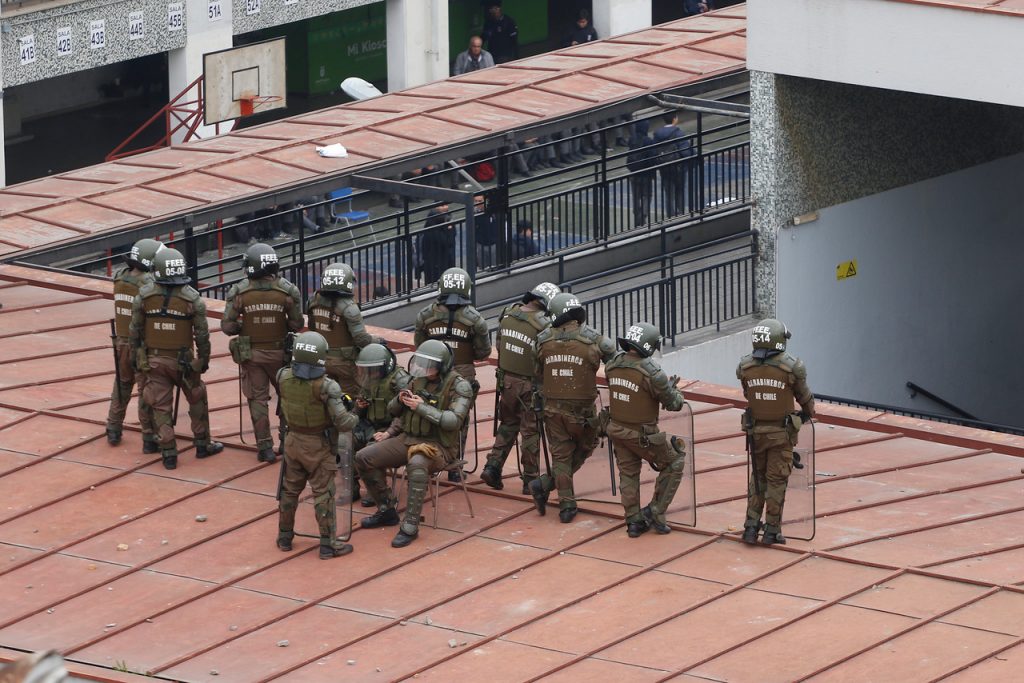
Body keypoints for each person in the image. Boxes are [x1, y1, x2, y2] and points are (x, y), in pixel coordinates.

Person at [355, 340, 474, 548]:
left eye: (430, 364)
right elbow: (393, 411)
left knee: (417, 464)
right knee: (364, 457)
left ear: (442, 365)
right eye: (422, 363)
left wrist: (421, 407)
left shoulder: (459, 386)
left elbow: (452, 421)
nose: (425, 368)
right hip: (408, 438)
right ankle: (386, 509)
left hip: (439, 446)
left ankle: (410, 524)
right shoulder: (416, 381)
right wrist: (400, 399)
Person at [129, 248, 224, 470]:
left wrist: (137, 358)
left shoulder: (143, 296)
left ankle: (169, 453)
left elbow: (135, 331)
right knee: (197, 398)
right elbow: (202, 336)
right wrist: (203, 361)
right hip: (184, 362)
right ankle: (202, 444)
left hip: (154, 360)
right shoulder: (192, 299)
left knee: (160, 406)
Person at [530, 293, 616, 522]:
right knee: (588, 444)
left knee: (560, 455)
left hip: (552, 410)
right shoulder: (594, 340)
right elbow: (617, 367)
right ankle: (547, 485)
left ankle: (566, 504)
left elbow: (537, 373)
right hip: (583, 413)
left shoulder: (543, 340)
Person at [275, 331, 359, 560]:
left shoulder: (282, 376)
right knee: (324, 493)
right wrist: (355, 413)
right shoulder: (326, 386)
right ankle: (328, 545)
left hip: (292, 441)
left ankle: (284, 537)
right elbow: (344, 423)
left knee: (289, 491)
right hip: (318, 445)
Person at [222, 243, 304, 464]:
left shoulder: (239, 292)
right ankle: (287, 442)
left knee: (257, 399)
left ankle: (265, 448)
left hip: (252, 355)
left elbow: (227, 326)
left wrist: (244, 326)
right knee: (287, 396)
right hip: (280, 354)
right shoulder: (288, 291)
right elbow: (297, 324)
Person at [606, 322, 688, 537]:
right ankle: (655, 512)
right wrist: (675, 392)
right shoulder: (652, 373)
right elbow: (674, 404)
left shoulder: (612, 365)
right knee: (675, 462)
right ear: (650, 345)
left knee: (628, 475)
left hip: (617, 429)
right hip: (643, 436)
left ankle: (633, 522)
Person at [737, 318, 815, 546]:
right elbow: (805, 399)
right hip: (781, 435)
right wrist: (807, 414)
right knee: (776, 481)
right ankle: (771, 530)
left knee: (757, 479)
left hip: (755, 433)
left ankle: (751, 527)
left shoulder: (745, 366)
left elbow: (747, 393)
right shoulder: (792, 367)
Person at [306, 262, 380, 501]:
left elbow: (312, 332)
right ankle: (362, 481)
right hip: (347, 369)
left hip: (321, 365)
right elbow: (361, 339)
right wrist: (379, 342)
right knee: (354, 418)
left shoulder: (313, 301)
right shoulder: (349, 308)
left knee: (330, 416)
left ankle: (342, 477)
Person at [481, 282, 560, 494]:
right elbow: (546, 358)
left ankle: (492, 466)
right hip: (530, 386)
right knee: (530, 432)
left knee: (508, 424)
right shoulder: (545, 325)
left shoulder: (508, 314)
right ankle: (530, 480)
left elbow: (500, 345)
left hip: (506, 381)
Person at [414, 267, 491, 477]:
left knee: (428, 414)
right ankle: (455, 468)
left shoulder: (425, 315)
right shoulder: (475, 319)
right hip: (463, 373)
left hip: (431, 373)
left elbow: (420, 347)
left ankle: (428, 462)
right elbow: (483, 352)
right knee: (459, 420)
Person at [107, 238, 162, 452]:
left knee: (122, 384)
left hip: (120, 341)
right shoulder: (147, 284)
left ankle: (113, 427)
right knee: (145, 389)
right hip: (140, 344)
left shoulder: (120, 277)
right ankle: (149, 436)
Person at [352, 343, 411, 506]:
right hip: (370, 425)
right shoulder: (368, 377)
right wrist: (359, 406)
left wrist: (389, 432)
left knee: (372, 449)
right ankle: (352, 486)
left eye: (374, 369)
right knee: (346, 441)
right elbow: (357, 410)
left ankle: (379, 492)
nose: (370, 373)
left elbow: (406, 413)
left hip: (393, 429)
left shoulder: (400, 379)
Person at [652, 112, 695, 217]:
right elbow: (685, 151)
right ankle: (680, 213)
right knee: (680, 190)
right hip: (678, 167)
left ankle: (670, 215)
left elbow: (653, 152)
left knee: (669, 193)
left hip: (664, 167)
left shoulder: (657, 134)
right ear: (674, 119)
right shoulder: (678, 133)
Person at [627, 119, 656, 226]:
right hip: (646, 173)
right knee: (647, 195)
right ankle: (643, 214)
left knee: (636, 196)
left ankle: (636, 214)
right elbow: (652, 157)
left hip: (634, 172)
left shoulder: (632, 139)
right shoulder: (648, 141)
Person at [419, 204, 455, 285]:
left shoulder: (429, 227)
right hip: (437, 264)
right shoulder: (434, 231)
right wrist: (449, 229)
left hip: (437, 262)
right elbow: (448, 242)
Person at [474, 194, 499, 269]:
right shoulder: (473, 214)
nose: (477, 203)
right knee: (483, 268)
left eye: (480, 201)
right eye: (476, 201)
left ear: (485, 201)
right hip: (480, 244)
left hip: (493, 244)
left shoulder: (493, 211)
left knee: (495, 267)